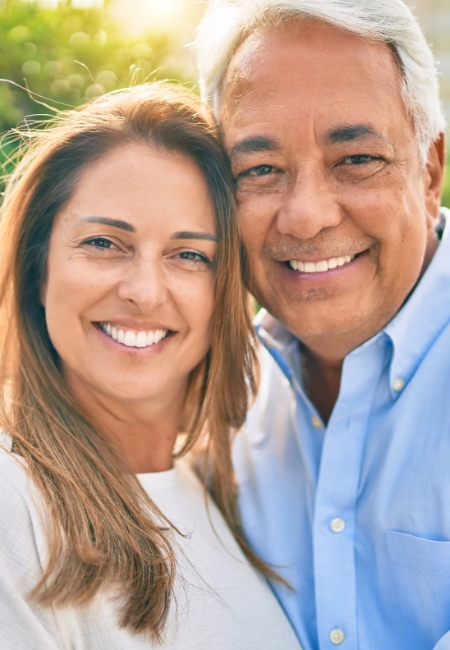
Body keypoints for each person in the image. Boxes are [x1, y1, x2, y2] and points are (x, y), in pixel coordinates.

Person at [0, 83, 302, 650]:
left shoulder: (229, 488)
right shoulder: (12, 501)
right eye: (103, 242)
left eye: (190, 255)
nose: (143, 291)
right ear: (39, 270)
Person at [196, 1, 450, 649]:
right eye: (259, 171)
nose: (305, 217)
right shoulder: (209, 400)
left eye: (356, 158)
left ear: (429, 170)